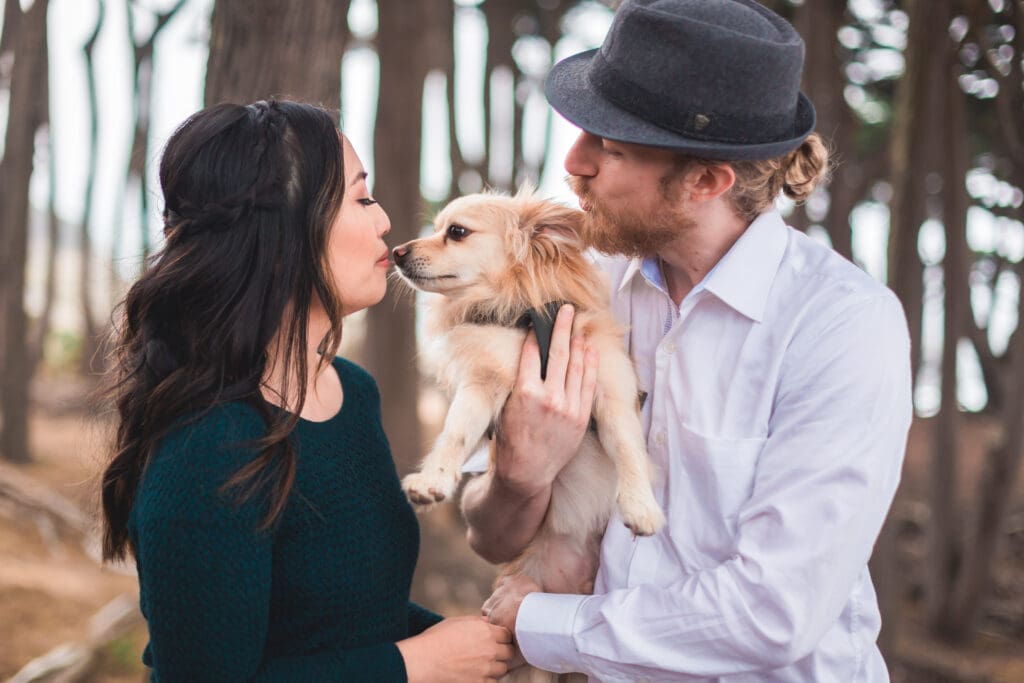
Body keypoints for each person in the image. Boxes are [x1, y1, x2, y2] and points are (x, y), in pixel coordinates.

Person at [463, 1, 913, 681]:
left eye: (610, 148)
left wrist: (546, 624)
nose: (573, 162)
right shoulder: (581, 291)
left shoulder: (841, 327)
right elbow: (485, 528)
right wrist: (520, 476)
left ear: (706, 181)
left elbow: (773, 610)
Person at [99, 100, 513, 682]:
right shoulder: (209, 442)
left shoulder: (353, 393)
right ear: (288, 225)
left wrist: (468, 641)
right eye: (360, 197)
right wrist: (413, 665)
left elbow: (348, 621)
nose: (385, 220)